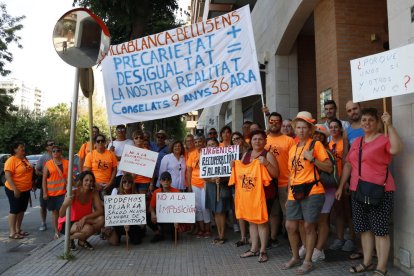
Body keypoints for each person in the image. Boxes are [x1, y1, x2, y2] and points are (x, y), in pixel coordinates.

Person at [335, 108, 402, 276]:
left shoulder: (383, 139)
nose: (366, 123)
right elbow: (349, 164)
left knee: (380, 231)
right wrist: (341, 185)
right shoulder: (356, 141)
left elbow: (396, 149)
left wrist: (390, 125)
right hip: (357, 190)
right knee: (364, 229)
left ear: (377, 122)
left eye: (371, 120)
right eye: (364, 120)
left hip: (380, 190)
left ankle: (381, 267)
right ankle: (366, 262)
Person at [282, 111, 332, 274]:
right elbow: (291, 174)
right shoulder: (292, 148)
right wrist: (289, 196)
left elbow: (329, 168)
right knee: (290, 226)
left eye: (305, 127)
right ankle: (295, 256)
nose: (301, 130)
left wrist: (313, 160)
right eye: (299, 127)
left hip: (313, 190)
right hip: (295, 191)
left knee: (309, 226)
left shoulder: (315, 145)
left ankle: (308, 261)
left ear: (310, 129)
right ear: (295, 129)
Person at [232, 129, 279, 263]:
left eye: (260, 139)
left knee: (262, 222)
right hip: (249, 194)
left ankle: (263, 250)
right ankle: (254, 249)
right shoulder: (246, 154)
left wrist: (266, 163)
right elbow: (240, 173)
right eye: (254, 139)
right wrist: (233, 166)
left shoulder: (267, 154)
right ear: (250, 141)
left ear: (265, 141)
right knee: (251, 221)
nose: (257, 141)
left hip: (265, 194)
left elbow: (276, 174)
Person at [301, 124, 335, 262]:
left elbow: (329, 170)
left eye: (321, 135)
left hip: (327, 190)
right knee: (308, 221)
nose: (318, 137)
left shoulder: (327, 152)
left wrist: (313, 160)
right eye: (315, 134)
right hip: (310, 189)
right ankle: (308, 246)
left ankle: (319, 249)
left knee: (322, 220)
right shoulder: (304, 148)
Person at [264, 112, 295, 248]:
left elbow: (294, 161)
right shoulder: (263, 139)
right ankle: (273, 237)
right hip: (268, 182)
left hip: (284, 181)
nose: (274, 123)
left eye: (277, 121)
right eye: (271, 121)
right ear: (268, 122)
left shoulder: (289, 140)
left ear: (281, 123)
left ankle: (292, 239)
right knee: (273, 212)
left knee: (288, 212)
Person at [58, 171, 104, 250]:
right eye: (86, 180)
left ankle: (80, 241)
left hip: (82, 220)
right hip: (68, 222)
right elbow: (61, 214)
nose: (89, 182)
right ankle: (70, 238)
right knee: (88, 228)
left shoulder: (93, 193)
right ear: (82, 181)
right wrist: (65, 204)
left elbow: (100, 211)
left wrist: (85, 218)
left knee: (101, 219)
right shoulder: (73, 193)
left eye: (91, 181)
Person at [204, 138, 232, 244]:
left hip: (222, 186)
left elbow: (229, 173)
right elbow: (203, 175)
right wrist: (211, 179)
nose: (211, 146)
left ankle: (222, 235)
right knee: (215, 211)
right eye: (209, 145)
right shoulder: (204, 157)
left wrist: (222, 178)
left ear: (217, 145)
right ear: (206, 147)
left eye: (213, 144)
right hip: (211, 186)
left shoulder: (224, 155)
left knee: (221, 210)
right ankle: (219, 234)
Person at [4, 141, 33, 239]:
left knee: (21, 210)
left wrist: (31, 184)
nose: (23, 148)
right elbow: (8, 175)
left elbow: (28, 173)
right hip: (14, 189)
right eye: (21, 147)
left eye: (23, 147)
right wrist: (15, 189)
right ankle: (12, 232)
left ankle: (18, 229)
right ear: (15, 149)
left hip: (25, 189)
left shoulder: (24, 159)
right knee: (15, 209)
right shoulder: (11, 160)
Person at [107, 173, 145, 245]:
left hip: (132, 224)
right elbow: (111, 211)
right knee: (114, 242)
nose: (127, 184)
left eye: (129, 182)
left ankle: (136, 234)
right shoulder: (115, 191)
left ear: (132, 183)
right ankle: (107, 233)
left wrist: (130, 223)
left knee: (136, 242)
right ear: (122, 183)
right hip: (118, 223)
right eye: (124, 182)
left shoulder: (136, 196)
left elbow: (139, 217)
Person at [186, 134, 211, 238]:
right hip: (194, 183)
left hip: (206, 183)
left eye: (200, 142)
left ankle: (207, 229)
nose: (198, 144)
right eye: (196, 142)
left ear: (204, 142)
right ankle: (201, 229)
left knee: (205, 207)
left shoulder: (209, 153)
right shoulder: (191, 154)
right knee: (198, 207)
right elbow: (188, 172)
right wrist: (189, 187)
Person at [42, 145, 68, 240]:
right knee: (55, 213)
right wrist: (45, 193)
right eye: (54, 151)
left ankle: (65, 229)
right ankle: (56, 231)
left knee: (64, 212)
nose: (56, 152)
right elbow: (44, 180)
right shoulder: (48, 164)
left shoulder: (66, 163)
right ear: (51, 153)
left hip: (63, 192)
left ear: (61, 152)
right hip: (52, 193)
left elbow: (71, 177)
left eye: (58, 151)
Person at [149, 171, 179, 243]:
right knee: (148, 216)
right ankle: (158, 233)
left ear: (171, 181)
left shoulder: (176, 192)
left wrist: (177, 220)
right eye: (163, 179)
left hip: (172, 218)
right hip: (160, 216)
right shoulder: (156, 192)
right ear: (160, 181)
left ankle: (164, 232)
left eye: (168, 179)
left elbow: (180, 208)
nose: (166, 181)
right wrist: (153, 213)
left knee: (174, 237)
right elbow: (151, 207)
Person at [35, 139, 55, 232]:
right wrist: (45, 174)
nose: (53, 145)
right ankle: (43, 222)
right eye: (51, 144)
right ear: (47, 148)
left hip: (56, 186)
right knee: (43, 205)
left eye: (54, 144)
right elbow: (37, 170)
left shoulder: (58, 155)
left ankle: (58, 223)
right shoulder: (44, 158)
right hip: (45, 186)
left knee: (57, 205)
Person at [108, 124, 133, 191]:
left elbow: (132, 157)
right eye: (118, 129)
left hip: (127, 173)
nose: (120, 131)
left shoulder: (131, 142)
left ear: (126, 131)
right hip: (115, 173)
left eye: (122, 129)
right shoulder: (111, 143)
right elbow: (108, 159)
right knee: (115, 192)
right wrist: (110, 152)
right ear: (116, 131)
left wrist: (118, 158)